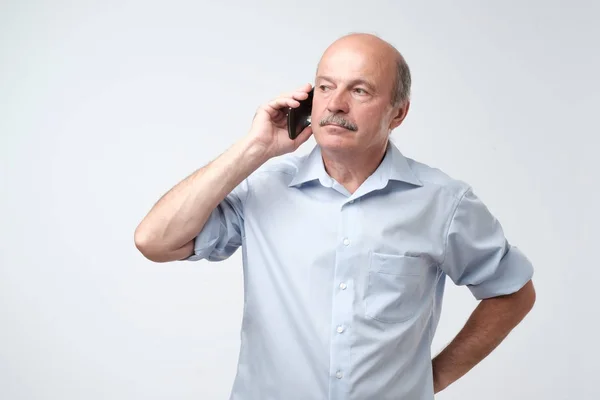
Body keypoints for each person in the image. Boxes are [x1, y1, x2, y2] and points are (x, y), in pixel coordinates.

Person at [134, 32, 536, 399]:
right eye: (325, 86)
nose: (335, 104)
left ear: (398, 114)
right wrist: (255, 147)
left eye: (359, 90)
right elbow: (154, 241)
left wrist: (431, 380)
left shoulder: (443, 203)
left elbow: (513, 292)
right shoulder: (263, 188)